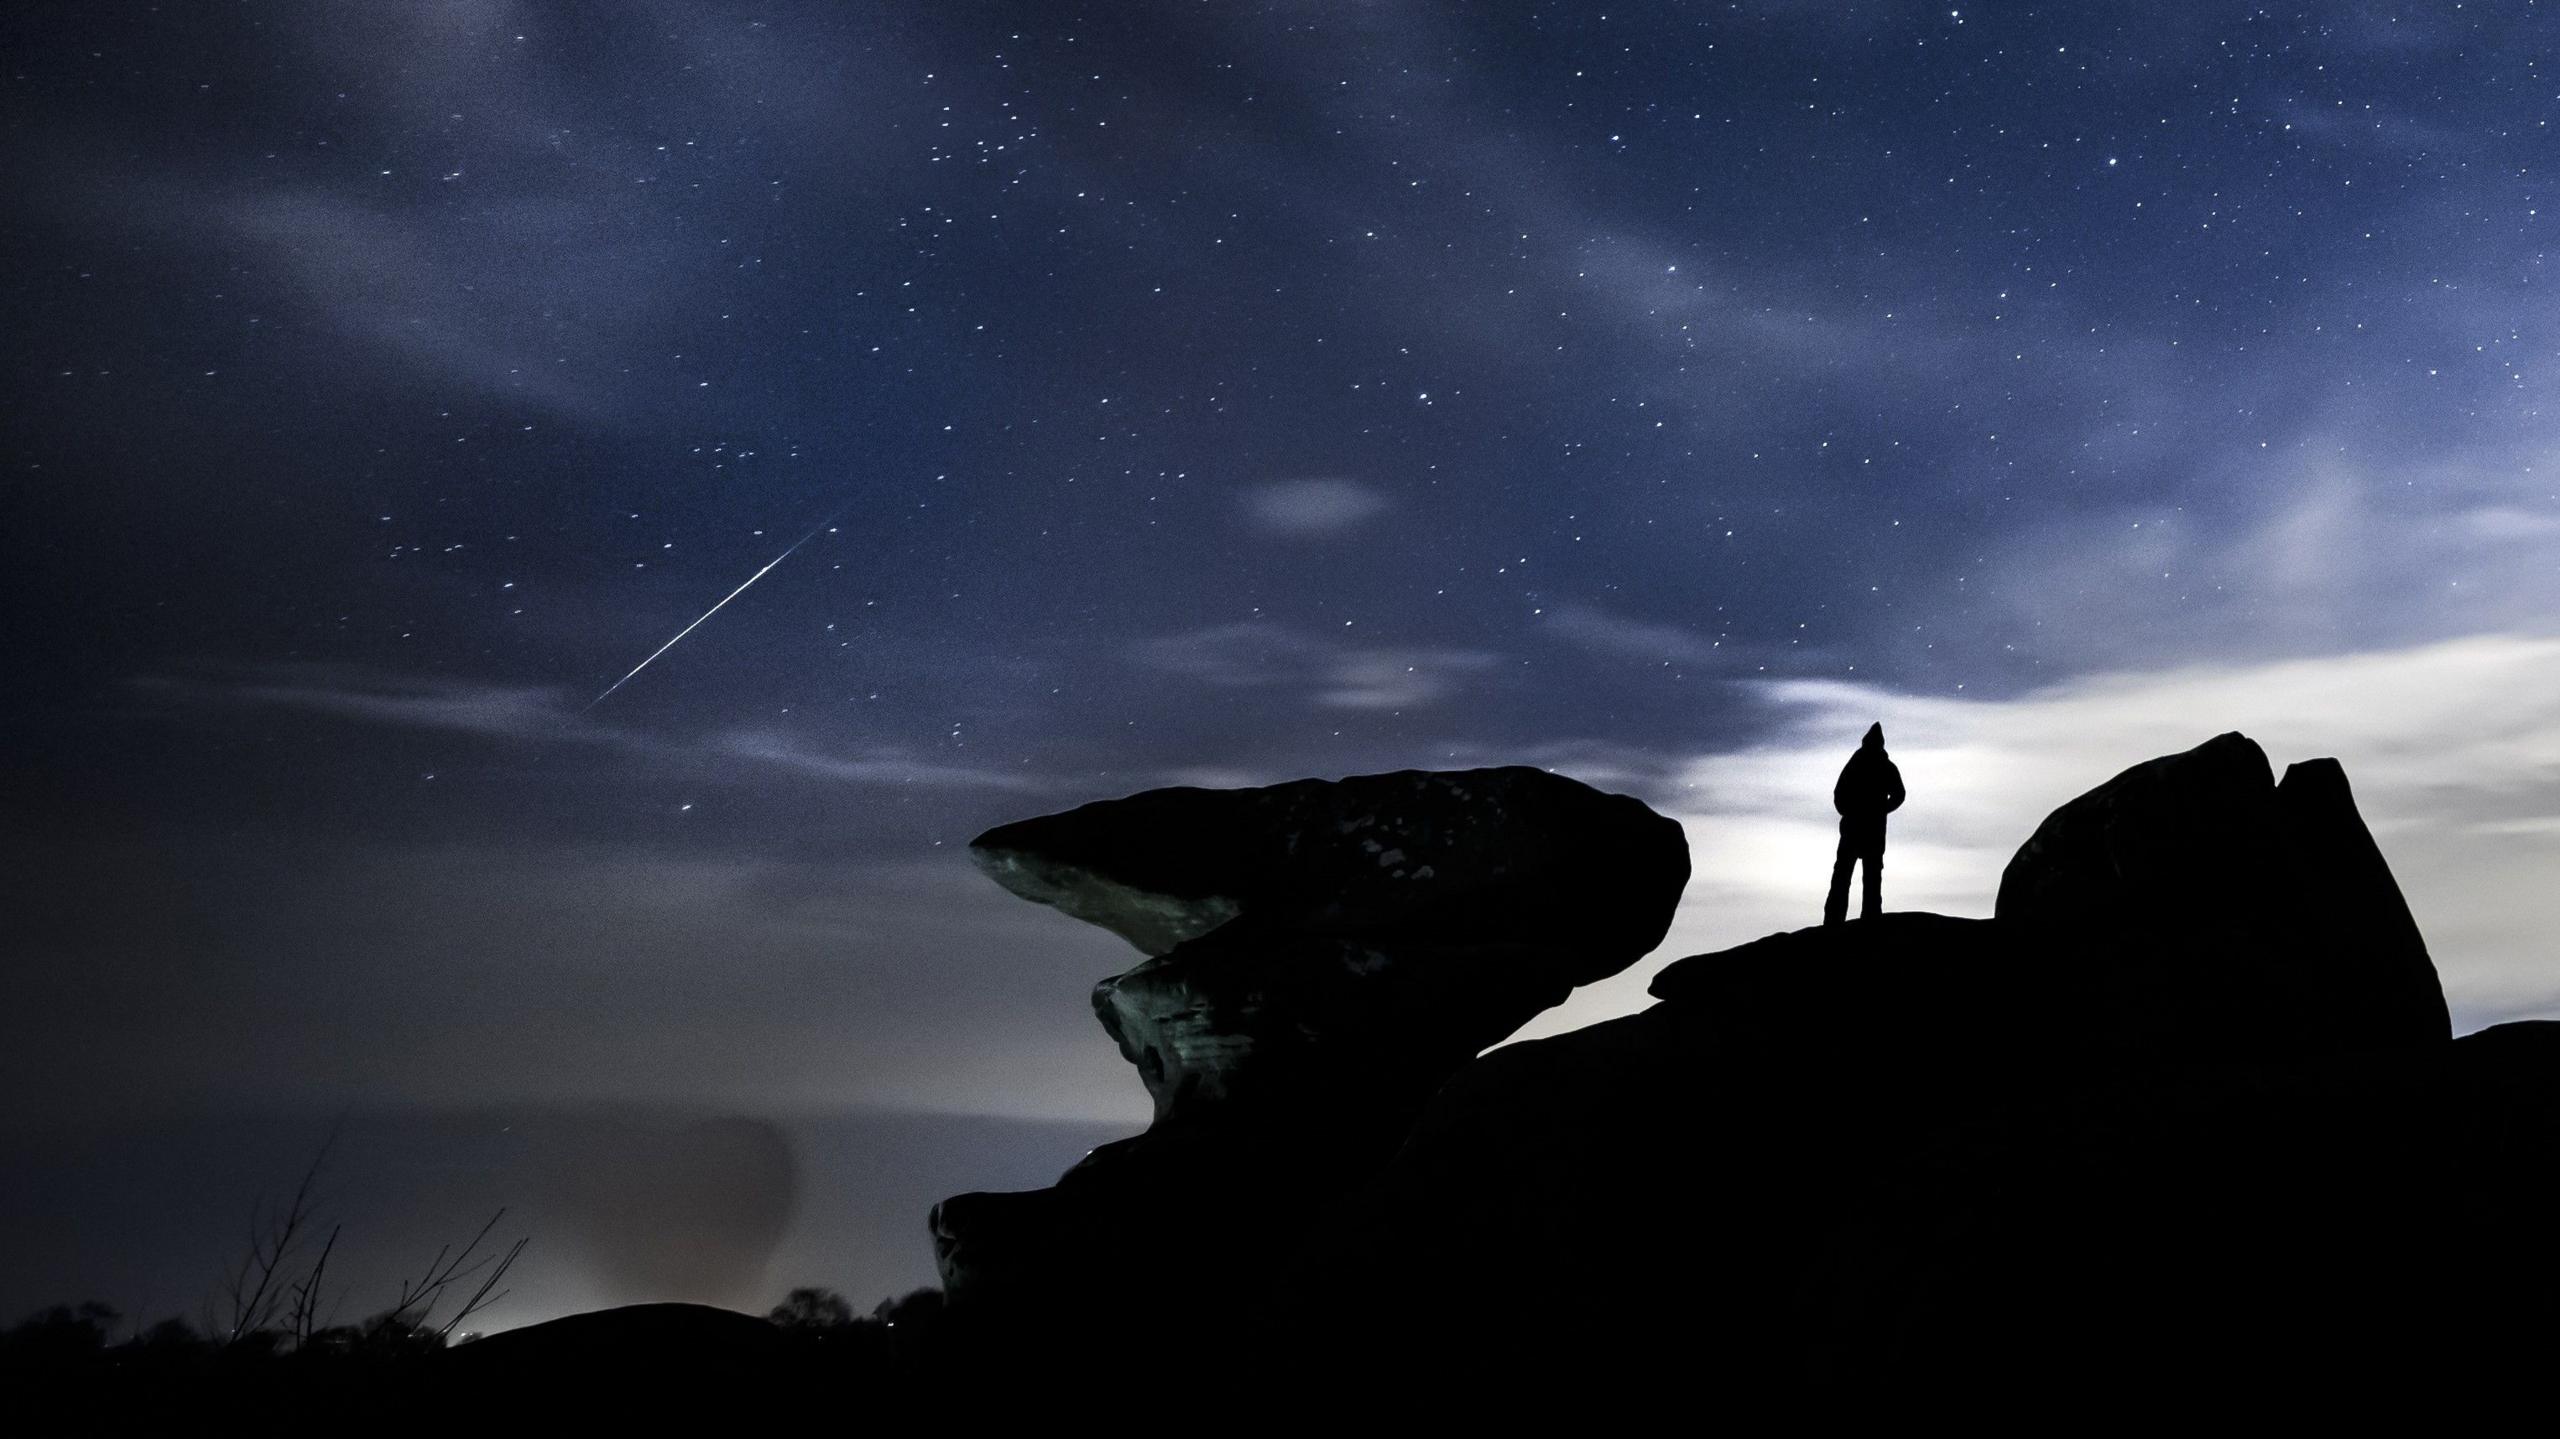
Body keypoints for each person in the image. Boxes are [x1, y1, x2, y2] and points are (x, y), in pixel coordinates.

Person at [1824, 722, 1905, 924]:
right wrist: (1851, 812)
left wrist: (1881, 809)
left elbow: (1899, 794)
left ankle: (1866, 920)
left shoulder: (1879, 766)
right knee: (1850, 875)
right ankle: (1837, 922)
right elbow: (1839, 794)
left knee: (1867, 876)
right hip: (1858, 828)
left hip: (1869, 829)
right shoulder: (1862, 764)